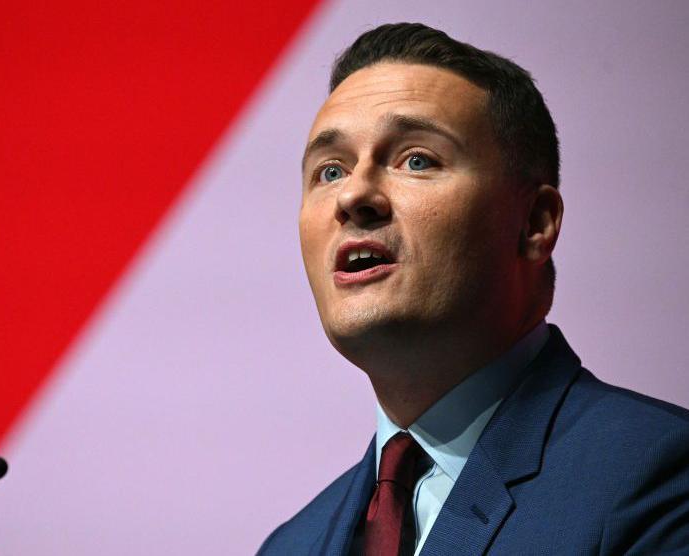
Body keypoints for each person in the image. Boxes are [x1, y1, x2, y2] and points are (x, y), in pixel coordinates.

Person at [258, 23, 689, 555]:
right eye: (329, 171)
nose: (354, 195)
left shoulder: (659, 478)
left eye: (417, 159)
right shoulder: (291, 546)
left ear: (534, 222)